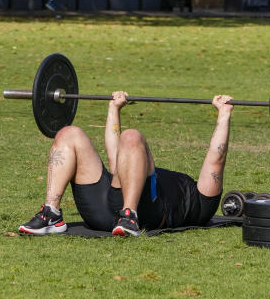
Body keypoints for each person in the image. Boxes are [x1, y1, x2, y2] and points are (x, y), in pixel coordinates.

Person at [18, 92, 234, 237]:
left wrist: (225, 116)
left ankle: (129, 214)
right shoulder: (201, 198)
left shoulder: (202, 207)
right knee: (68, 134)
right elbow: (216, 159)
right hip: (104, 207)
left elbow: (217, 159)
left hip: (141, 213)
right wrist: (114, 108)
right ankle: (51, 213)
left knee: (131, 137)